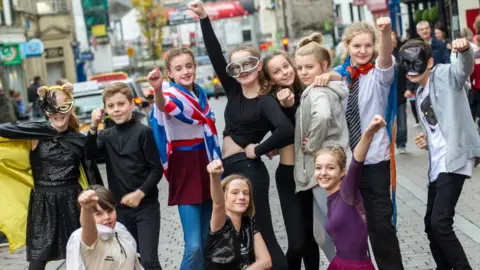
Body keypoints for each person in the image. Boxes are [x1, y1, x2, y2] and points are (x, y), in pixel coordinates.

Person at [190, 1, 293, 269]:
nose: (243, 71)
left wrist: (257, 150)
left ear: (258, 66)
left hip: (250, 169)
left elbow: (286, 130)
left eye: (248, 64)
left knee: (263, 233)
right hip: (230, 169)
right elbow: (215, 55)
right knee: (241, 232)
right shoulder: (234, 91)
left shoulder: (265, 100)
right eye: (237, 68)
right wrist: (204, 18)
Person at [328, 18, 404, 269]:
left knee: (381, 228)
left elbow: (384, 57)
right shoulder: (338, 77)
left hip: (373, 162)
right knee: (352, 231)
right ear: (347, 47)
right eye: (357, 46)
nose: (362, 51)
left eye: (367, 46)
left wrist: (384, 32)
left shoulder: (380, 75)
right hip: (346, 166)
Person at [0, 83, 101, 270]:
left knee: (80, 256)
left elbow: (93, 162)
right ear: (46, 111)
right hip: (43, 204)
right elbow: (6, 130)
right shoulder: (36, 134)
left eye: (62, 107)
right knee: (37, 261)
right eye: (51, 108)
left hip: (73, 202)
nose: (58, 113)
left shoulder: (78, 140)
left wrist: (94, 127)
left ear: (70, 107)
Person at [400, 38, 480, 269]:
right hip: (437, 163)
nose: (411, 69)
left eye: (417, 62)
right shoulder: (420, 91)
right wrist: (428, 139)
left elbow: (462, 70)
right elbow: (439, 124)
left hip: (454, 159)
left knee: (440, 223)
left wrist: (464, 50)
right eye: (407, 64)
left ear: (430, 61)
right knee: (430, 224)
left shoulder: (443, 75)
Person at [148, 48, 221, 270]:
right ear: (169, 73)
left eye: (189, 66)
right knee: (194, 246)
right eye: (178, 68)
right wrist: (158, 89)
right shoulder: (170, 94)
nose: (185, 71)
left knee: (210, 240)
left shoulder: (201, 94)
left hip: (207, 163)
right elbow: (164, 106)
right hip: (185, 166)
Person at [85, 82, 163, 270]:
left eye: (121, 104)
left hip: (146, 207)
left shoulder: (143, 133)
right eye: (111, 106)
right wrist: (93, 127)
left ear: (131, 104)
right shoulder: (106, 135)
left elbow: (156, 170)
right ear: (105, 109)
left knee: (149, 260)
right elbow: (90, 155)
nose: (116, 110)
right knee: (128, 259)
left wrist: (140, 193)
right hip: (118, 209)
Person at [262, 48, 321, 269]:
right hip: (289, 176)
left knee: (312, 238)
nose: (285, 73)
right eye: (277, 71)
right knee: (297, 243)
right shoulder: (270, 102)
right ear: (270, 79)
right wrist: (263, 147)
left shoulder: (307, 90)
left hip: (314, 173)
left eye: (286, 66)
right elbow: (284, 130)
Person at [315, 115, 386, 270]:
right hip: (339, 264)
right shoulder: (330, 197)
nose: (323, 172)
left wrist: (368, 133)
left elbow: (356, 162)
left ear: (342, 172)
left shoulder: (346, 192)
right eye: (318, 167)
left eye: (330, 167)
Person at [204, 160, 272, 270]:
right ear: (224, 195)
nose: (241, 197)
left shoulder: (249, 223)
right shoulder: (220, 224)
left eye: (246, 193)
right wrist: (215, 177)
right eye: (235, 192)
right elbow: (218, 204)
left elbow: (266, 261)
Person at [66, 185, 143, 270]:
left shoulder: (121, 230)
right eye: (98, 214)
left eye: (110, 211)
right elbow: (89, 230)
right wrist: (86, 209)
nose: (106, 217)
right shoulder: (88, 239)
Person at [392, 32, 408, 154]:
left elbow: (407, 74)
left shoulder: (400, 57)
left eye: (392, 42)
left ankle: (401, 143)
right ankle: (391, 144)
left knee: (402, 123)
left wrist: (409, 88)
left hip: (400, 95)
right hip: (386, 98)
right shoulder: (379, 58)